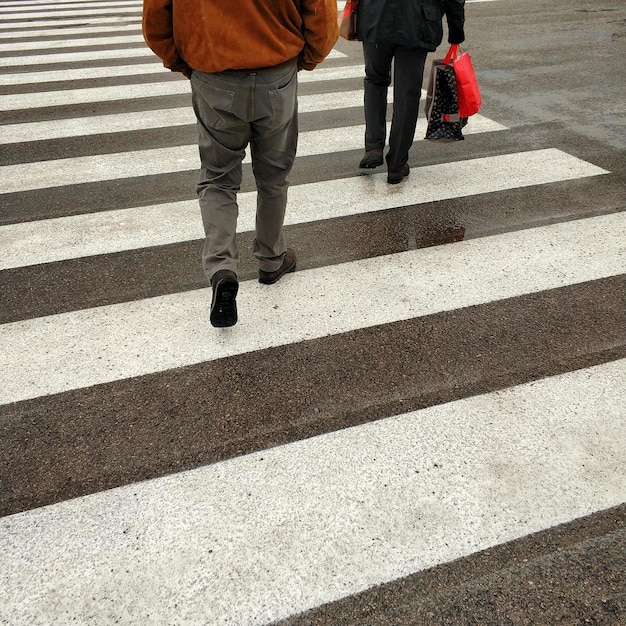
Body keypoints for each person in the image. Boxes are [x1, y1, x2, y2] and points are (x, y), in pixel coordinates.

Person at [142, 0, 338, 327]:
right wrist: (305, 58)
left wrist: (182, 61)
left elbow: (155, 20)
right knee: (274, 176)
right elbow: (322, 16)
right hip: (277, 72)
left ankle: (222, 266)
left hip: (214, 75)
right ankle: (272, 258)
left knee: (218, 179)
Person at [356, 0, 465, 183]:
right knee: (407, 93)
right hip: (417, 20)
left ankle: (374, 147)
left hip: (375, 16)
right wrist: (456, 29)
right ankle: (397, 163)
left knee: (375, 81)